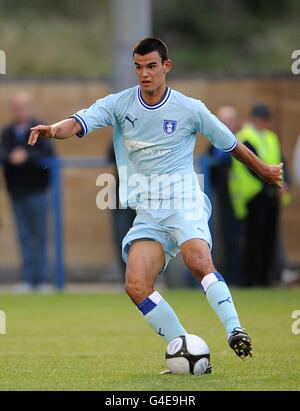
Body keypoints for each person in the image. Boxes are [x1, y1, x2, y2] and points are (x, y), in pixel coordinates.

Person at [28, 38, 283, 365]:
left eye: (151, 66)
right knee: (135, 284)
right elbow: (78, 122)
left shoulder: (190, 109)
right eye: (138, 67)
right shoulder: (119, 104)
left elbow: (231, 143)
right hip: (148, 212)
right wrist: (53, 129)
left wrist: (263, 169)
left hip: (183, 200)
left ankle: (235, 329)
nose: (144, 74)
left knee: (196, 260)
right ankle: (183, 345)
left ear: (166, 67)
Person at [0, 92, 55, 292]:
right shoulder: (8, 132)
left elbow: (47, 153)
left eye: (23, 106)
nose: (20, 110)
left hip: (38, 191)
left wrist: (26, 155)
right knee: (23, 236)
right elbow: (3, 152)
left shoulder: (40, 128)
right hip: (16, 192)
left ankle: (43, 280)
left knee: (40, 235)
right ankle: (27, 279)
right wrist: (11, 156)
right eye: (16, 107)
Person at [229, 103, 288, 286]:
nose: (264, 123)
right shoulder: (245, 137)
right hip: (253, 194)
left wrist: (283, 184)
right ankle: (252, 279)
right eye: (261, 119)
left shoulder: (271, 137)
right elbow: (251, 166)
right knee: (254, 239)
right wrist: (269, 183)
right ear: (254, 118)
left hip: (271, 192)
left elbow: (280, 160)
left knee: (269, 238)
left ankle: (265, 278)